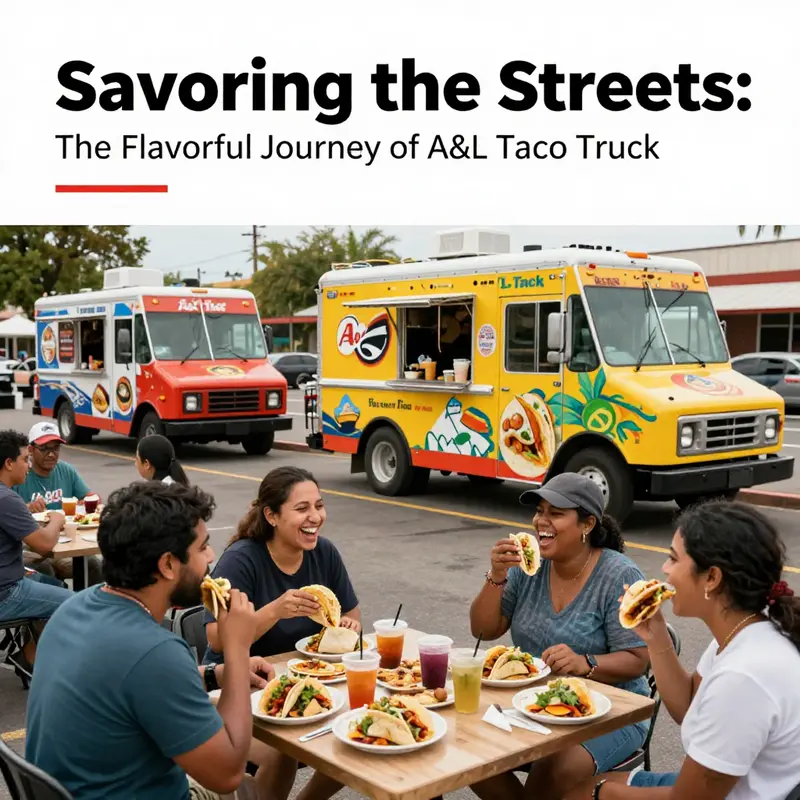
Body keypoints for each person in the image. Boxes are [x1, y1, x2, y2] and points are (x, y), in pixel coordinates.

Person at [25, 480, 279, 800]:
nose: (212, 556)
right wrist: (238, 650)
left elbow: (129, 687)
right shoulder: (155, 651)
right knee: (247, 787)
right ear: (168, 564)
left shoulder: (73, 607)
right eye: (202, 547)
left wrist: (216, 674)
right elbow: (225, 774)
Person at [568, 500, 800, 800]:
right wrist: (656, 637)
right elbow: (689, 707)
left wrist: (604, 794)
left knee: (582, 792)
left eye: (673, 559)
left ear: (712, 578)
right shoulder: (747, 627)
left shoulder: (743, 676)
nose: (663, 569)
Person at [469, 472, 651, 800]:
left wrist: (586, 663)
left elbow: (638, 660)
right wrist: (496, 576)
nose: (541, 521)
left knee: (556, 766)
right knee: (469, 747)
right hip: (533, 703)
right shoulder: (528, 568)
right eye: (540, 511)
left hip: (610, 713)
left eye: (556, 513)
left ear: (587, 524)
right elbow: (484, 630)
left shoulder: (619, 575)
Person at [203, 466, 359, 800]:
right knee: (282, 753)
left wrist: (348, 625)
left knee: (354, 731)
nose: (314, 517)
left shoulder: (325, 552)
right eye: (302, 509)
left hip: (303, 679)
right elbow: (216, 638)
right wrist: (275, 610)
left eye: (319, 506)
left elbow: (351, 614)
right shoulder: (241, 560)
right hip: (237, 685)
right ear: (271, 515)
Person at [0, 429, 71, 675]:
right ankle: (56, 671)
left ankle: (28, 656)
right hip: (6, 592)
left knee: (56, 586)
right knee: (74, 605)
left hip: (11, 576)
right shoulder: (7, 499)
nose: (28, 467)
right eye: (24, 460)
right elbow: (43, 544)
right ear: (9, 464)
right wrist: (57, 519)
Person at [14, 421, 104, 585]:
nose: (51, 454)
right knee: (45, 570)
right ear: (31, 450)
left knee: (92, 564)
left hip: (66, 543)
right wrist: (27, 508)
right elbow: (8, 510)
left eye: (55, 448)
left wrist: (90, 502)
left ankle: (92, 608)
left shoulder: (65, 470)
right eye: (44, 448)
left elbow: (92, 498)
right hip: (31, 546)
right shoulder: (20, 473)